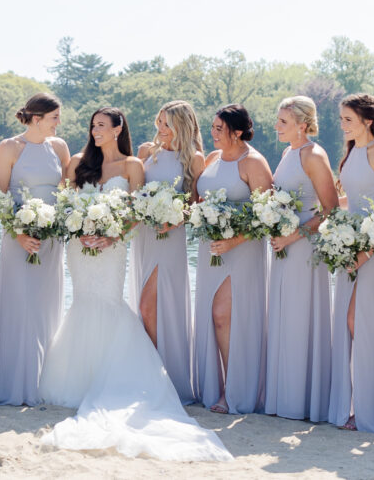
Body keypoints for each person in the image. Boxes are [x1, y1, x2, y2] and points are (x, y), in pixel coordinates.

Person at [39, 108, 230, 462]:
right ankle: (82, 378)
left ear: (117, 128)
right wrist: (81, 231)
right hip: (80, 248)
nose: (95, 130)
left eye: (101, 125)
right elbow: (65, 205)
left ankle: (139, 378)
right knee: (84, 302)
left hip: (115, 248)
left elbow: (136, 213)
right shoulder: (82, 162)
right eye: (92, 125)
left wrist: (112, 237)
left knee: (115, 303)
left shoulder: (133, 164)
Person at [0, 92, 70, 406]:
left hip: (52, 239)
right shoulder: (9, 147)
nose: (59, 123)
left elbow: (65, 193)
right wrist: (19, 233)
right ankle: (16, 385)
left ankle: (45, 382)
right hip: (18, 238)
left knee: (46, 307)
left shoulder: (60, 147)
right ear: (36, 119)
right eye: (54, 117)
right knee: (21, 306)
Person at [194, 104, 272, 415]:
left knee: (225, 316)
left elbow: (268, 215)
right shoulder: (212, 158)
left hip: (241, 250)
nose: (212, 133)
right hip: (210, 248)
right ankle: (215, 385)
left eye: (218, 128)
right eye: (211, 127)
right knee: (213, 317)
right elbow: (200, 200)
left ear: (236, 132)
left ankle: (234, 390)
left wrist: (233, 240)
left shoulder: (253, 162)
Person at [328, 93, 374, 432]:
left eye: (348, 119)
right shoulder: (353, 152)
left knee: (362, 323)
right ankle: (355, 403)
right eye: (341, 119)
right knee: (349, 324)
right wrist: (329, 218)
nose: (342, 125)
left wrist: (367, 250)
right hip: (349, 247)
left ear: (367, 120)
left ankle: (371, 408)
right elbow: (353, 198)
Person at [264, 95, 336, 422]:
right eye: (278, 120)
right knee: (282, 316)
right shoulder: (287, 152)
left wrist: (292, 235)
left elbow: (330, 209)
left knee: (300, 316)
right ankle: (284, 396)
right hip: (282, 244)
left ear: (302, 124)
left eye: (283, 122)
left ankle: (304, 401)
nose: (276, 126)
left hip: (304, 246)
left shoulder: (314, 155)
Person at [130, 100, 204, 404]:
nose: (161, 129)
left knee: (152, 306)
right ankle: (147, 375)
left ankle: (164, 375)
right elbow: (134, 191)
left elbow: (195, 203)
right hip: (144, 234)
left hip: (170, 237)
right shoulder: (147, 151)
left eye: (167, 124)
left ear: (182, 127)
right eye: (159, 122)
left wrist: (175, 218)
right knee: (144, 306)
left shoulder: (195, 159)